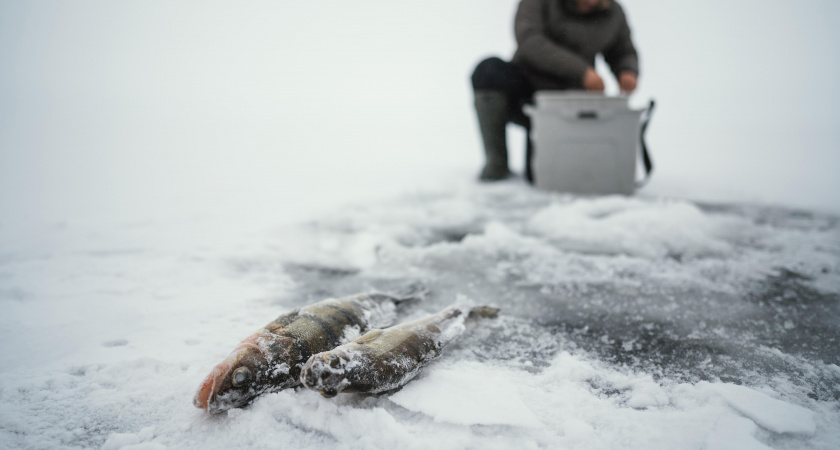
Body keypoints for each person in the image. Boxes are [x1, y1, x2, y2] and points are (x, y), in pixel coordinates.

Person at [472, 0, 640, 181]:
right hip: (526, 91)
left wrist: (627, 71)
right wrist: (582, 71)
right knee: (488, 71)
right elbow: (529, 40)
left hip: (570, 101)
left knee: (546, 176)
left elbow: (623, 49)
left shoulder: (613, 13)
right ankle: (497, 163)